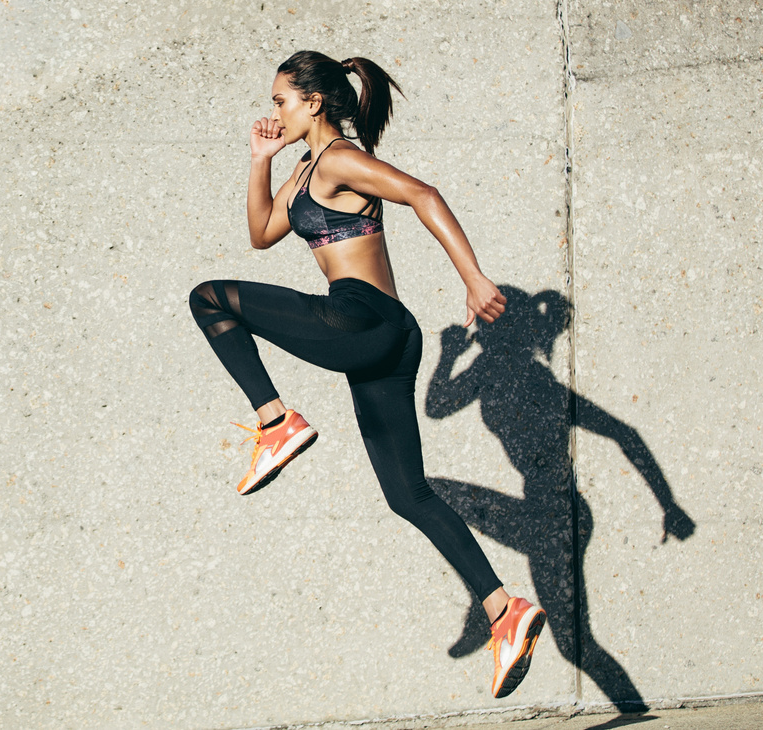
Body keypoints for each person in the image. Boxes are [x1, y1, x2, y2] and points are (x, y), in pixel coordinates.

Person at [188, 50, 546, 699]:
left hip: (363, 318)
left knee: (209, 298)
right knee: (406, 495)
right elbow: (261, 234)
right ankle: (503, 609)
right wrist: (258, 160)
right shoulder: (302, 172)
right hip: (385, 338)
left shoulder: (340, 160)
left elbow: (421, 194)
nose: (274, 112)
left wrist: (472, 278)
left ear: (314, 101)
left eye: (281, 101)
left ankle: (275, 421)